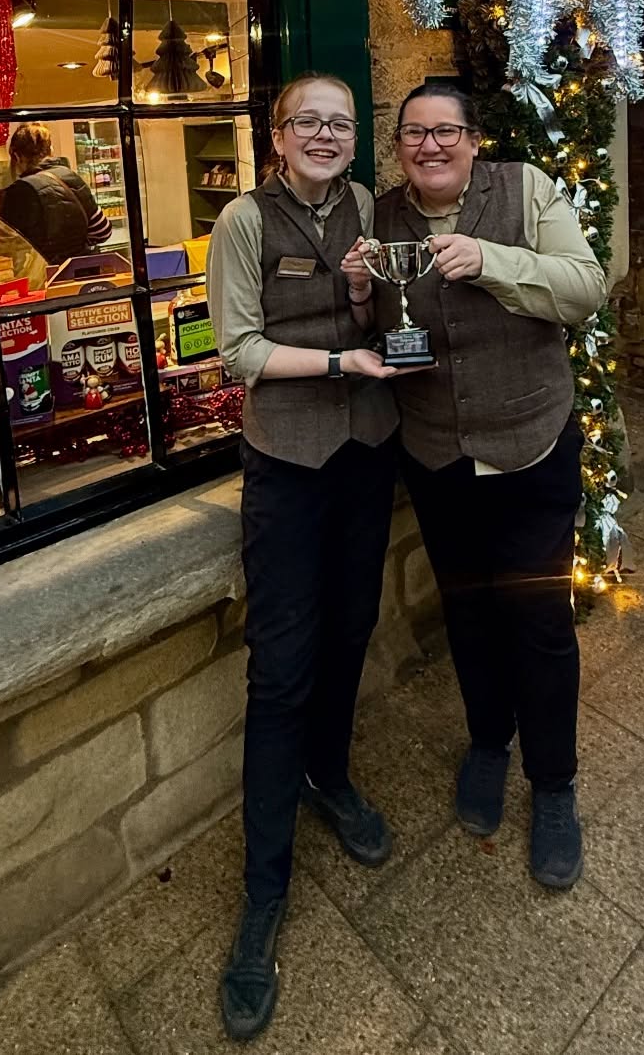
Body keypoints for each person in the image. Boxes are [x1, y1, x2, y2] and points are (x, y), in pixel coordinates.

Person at [365, 80, 604, 893]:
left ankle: (555, 784)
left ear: (472, 140)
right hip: (437, 454)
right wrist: (361, 292)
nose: (429, 146)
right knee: (467, 613)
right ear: (399, 146)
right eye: (414, 134)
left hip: (530, 445)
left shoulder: (526, 190)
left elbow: (585, 288)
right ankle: (488, 744)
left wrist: (492, 260)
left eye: (446, 132)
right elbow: (375, 330)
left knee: (539, 621)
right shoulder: (383, 218)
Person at [207, 73, 399, 1041]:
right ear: (278, 135)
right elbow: (237, 350)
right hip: (286, 465)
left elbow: (380, 325)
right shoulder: (243, 221)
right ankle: (262, 896)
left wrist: (364, 296)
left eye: (340, 123)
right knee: (280, 668)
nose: (325, 134)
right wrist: (335, 361)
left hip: (365, 454)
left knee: (354, 626)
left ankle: (330, 774)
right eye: (308, 122)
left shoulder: (367, 206)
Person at [0, 123, 110, 263]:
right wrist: (75, 248)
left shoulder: (19, 191)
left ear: (17, 156)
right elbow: (102, 231)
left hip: (44, 273)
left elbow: (10, 246)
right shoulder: (71, 177)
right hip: (80, 269)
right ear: (51, 150)